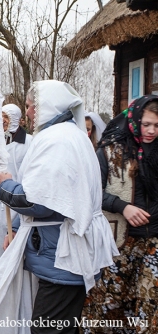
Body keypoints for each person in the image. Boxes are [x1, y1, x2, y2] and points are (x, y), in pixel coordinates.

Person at [0, 80, 118, 334]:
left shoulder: (57, 140)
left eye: (29, 106)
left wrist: (6, 186)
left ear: (46, 106)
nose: (27, 113)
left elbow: (37, 199)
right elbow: (51, 191)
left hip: (64, 256)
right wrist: (14, 228)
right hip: (57, 250)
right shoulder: (66, 136)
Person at [82, 95, 158, 334]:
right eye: (146, 124)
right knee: (109, 306)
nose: (151, 131)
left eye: (157, 125)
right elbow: (91, 193)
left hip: (154, 244)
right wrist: (122, 206)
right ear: (135, 120)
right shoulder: (109, 151)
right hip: (118, 243)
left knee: (147, 306)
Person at [0, 104, 32, 264]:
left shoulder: (28, 143)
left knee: (12, 232)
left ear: (16, 119)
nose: (3, 121)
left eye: (6, 117)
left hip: (16, 194)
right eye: (0, 116)